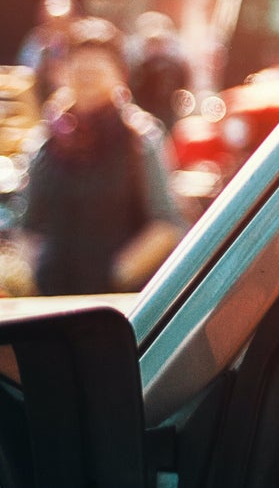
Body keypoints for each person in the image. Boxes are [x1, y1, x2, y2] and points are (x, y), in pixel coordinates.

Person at [20, 18, 188, 295]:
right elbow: (29, 224)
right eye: (79, 66)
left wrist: (115, 275)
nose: (86, 74)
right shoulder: (47, 140)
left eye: (97, 68)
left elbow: (167, 224)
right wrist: (38, 275)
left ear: (120, 74)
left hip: (114, 310)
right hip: (51, 305)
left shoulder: (139, 138)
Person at [129, 11, 194, 131]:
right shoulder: (138, 67)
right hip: (144, 111)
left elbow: (183, 84)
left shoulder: (173, 66)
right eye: (151, 43)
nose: (154, 48)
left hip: (168, 111)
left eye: (158, 43)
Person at [15, 0, 77, 105]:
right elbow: (26, 69)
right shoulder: (35, 39)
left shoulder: (80, 42)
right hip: (39, 95)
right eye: (51, 21)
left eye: (61, 22)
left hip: (69, 95)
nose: (55, 26)